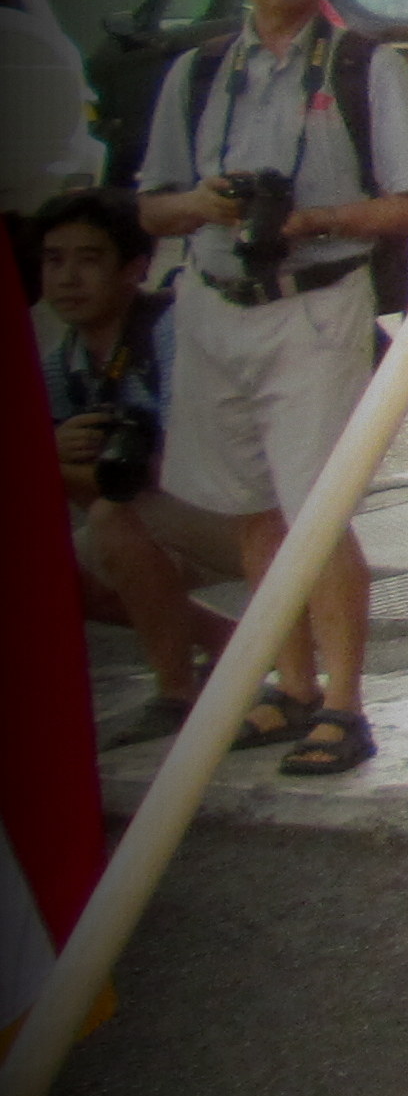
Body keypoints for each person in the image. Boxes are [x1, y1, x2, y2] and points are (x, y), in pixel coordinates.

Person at [128, 0, 408, 780]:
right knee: (257, 514)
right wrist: (207, 204)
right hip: (216, 306)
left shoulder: (362, 67)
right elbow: (152, 207)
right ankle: (291, 683)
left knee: (319, 509)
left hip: (315, 305)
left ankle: (346, 702)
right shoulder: (196, 76)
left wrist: (311, 220)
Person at [33, 186, 233, 735]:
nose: (68, 279)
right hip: (170, 515)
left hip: (245, 512)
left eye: (89, 259)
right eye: (54, 261)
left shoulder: (169, 331)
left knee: (112, 522)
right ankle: (228, 644)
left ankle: (176, 694)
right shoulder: (65, 364)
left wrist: (64, 462)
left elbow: (184, 460)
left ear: (134, 268)